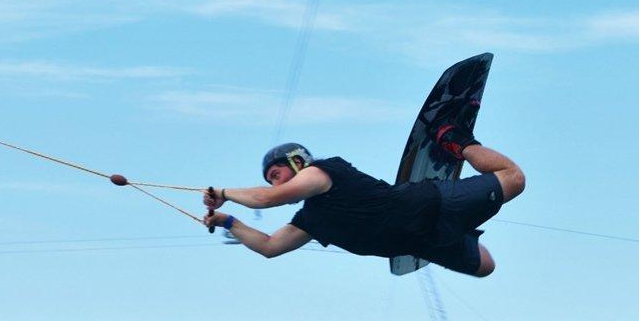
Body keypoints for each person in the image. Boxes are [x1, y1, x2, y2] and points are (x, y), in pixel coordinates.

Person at [201, 115, 524, 277]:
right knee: (485, 267)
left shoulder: (322, 173)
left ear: (297, 162)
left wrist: (224, 193)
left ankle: (454, 140)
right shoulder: (310, 220)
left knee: (514, 178)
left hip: (431, 204)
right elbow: (270, 247)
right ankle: (462, 228)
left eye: (275, 176)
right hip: (426, 241)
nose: (273, 185)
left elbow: (270, 199)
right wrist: (228, 220)